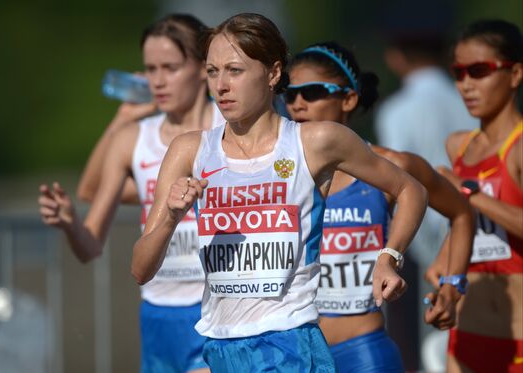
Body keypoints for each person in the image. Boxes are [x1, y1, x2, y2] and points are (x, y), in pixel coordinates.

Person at [132, 13, 428, 372]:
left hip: (289, 343)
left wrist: (388, 256)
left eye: (235, 71)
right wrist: (170, 220)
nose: (221, 86)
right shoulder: (189, 150)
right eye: (212, 72)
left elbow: (410, 189)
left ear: (273, 73)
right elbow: (141, 270)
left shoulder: (315, 141)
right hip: (219, 346)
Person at [38, 14, 225, 373]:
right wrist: (70, 224)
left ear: (203, 68)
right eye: (150, 69)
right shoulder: (133, 138)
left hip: (216, 308)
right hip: (156, 316)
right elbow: (89, 245)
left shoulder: (230, 127)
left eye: (170, 67)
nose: (158, 81)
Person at [285, 42, 474, 372]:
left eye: (312, 92)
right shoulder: (275, 172)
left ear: (348, 99)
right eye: (289, 93)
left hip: (362, 353)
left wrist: (451, 284)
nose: (298, 103)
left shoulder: (392, 165)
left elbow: (461, 213)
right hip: (296, 355)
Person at [434, 19, 523, 373]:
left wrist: (467, 192)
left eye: (479, 70)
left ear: (515, 74)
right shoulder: (458, 146)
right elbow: (463, 226)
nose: (466, 84)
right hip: (466, 334)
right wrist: (442, 270)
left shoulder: (518, 147)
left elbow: (468, 199)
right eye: (458, 73)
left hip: (518, 338)